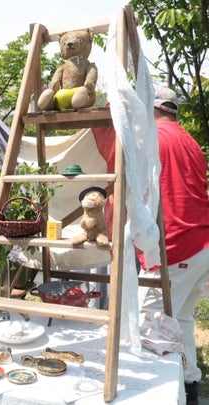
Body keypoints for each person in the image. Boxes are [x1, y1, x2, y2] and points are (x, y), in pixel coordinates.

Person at [137, 87, 209, 405]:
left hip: (176, 247)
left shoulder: (153, 140)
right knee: (180, 319)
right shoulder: (189, 140)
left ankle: (160, 396)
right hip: (201, 243)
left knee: (151, 328)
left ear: (151, 110)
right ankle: (189, 382)